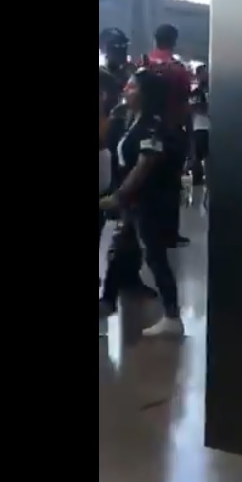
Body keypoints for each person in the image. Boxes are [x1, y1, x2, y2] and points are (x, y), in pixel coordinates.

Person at [99, 68, 185, 338]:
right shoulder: (129, 120)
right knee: (120, 250)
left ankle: (172, 315)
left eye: (133, 87)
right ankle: (107, 303)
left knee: (154, 255)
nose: (126, 90)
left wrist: (120, 196)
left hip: (148, 202)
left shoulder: (151, 125)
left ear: (146, 95)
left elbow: (145, 165)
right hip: (135, 203)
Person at [141, 24, 193, 247]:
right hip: (172, 133)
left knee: (145, 182)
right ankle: (169, 233)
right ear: (174, 41)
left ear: (155, 39)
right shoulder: (178, 69)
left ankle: (146, 232)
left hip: (144, 130)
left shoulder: (143, 63)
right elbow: (183, 105)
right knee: (171, 186)